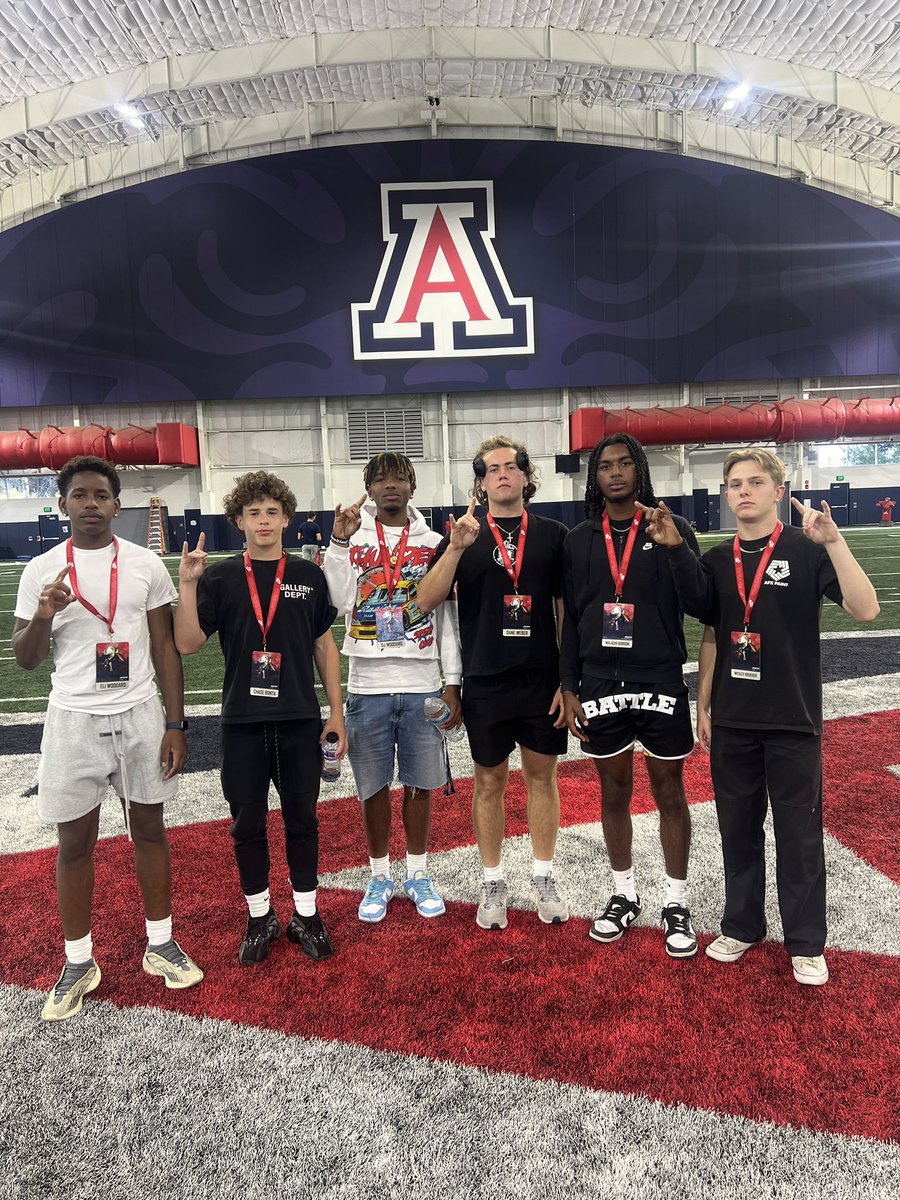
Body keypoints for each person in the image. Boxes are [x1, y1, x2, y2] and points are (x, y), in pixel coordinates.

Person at [656, 447, 879, 986]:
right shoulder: (714, 560)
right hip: (734, 720)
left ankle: (805, 942)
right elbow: (711, 635)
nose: (744, 491)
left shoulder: (806, 549)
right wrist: (702, 702)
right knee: (737, 830)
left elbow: (866, 609)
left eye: (755, 482)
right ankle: (743, 925)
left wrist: (837, 543)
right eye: (735, 483)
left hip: (792, 720)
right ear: (726, 494)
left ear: (778, 491)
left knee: (799, 836)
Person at [13, 455, 202, 1021]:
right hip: (72, 717)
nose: (91, 504)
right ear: (64, 503)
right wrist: (45, 613)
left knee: (149, 829)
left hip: (140, 711)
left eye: (101, 495)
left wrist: (175, 723)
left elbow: (166, 648)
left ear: (118, 505)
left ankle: (161, 943)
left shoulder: (145, 564)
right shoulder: (42, 570)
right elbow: (24, 658)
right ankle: (78, 960)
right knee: (74, 843)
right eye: (80, 495)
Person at [174, 471, 346, 965]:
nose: (264, 520)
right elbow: (187, 643)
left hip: (298, 718)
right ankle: (259, 917)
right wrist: (187, 584)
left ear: (287, 518)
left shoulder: (308, 575)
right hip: (242, 721)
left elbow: (322, 646)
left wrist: (336, 713)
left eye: (272, 511)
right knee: (246, 823)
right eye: (254, 513)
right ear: (238, 520)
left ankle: (306, 916)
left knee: (303, 819)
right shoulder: (221, 576)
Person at [560, 434, 706, 958]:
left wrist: (674, 547)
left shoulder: (672, 526)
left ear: (639, 470)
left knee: (670, 791)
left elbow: (700, 602)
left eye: (625, 464)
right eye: (605, 466)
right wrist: (569, 685)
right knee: (614, 790)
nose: (615, 473)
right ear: (594, 477)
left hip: (659, 678)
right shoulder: (578, 540)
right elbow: (572, 620)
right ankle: (624, 893)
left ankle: (676, 900)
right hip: (599, 682)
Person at [416, 436, 569, 931]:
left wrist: (568, 681)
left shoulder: (552, 534)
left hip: (541, 680)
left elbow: (567, 611)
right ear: (480, 482)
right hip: (485, 680)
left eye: (511, 466)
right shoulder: (464, 533)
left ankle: (543, 877)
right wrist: (456, 549)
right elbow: (425, 600)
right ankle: (493, 881)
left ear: (526, 476)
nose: (502, 474)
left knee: (542, 779)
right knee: (489, 783)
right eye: (491, 469)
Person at [323, 453, 463, 923]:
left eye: (398, 478)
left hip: (422, 681)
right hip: (367, 685)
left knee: (421, 786)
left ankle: (418, 873)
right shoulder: (352, 537)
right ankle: (380, 875)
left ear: (412, 485)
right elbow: (338, 600)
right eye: (379, 479)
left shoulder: (433, 543)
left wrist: (453, 682)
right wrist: (338, 544)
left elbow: (446, 617)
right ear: (368, 487)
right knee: (373, 789)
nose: (389, 486)